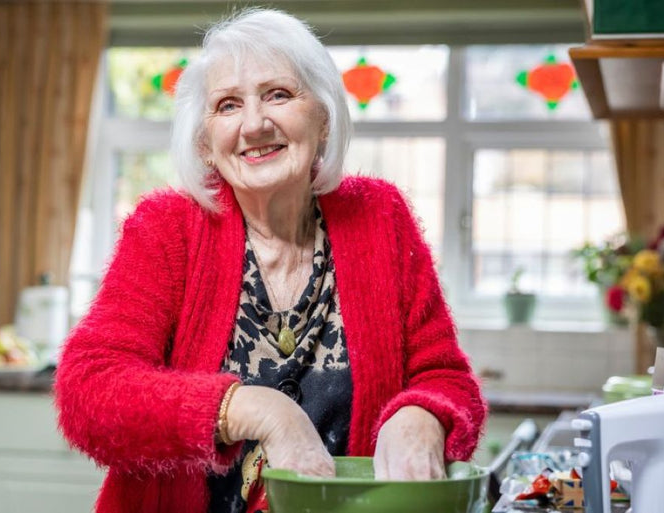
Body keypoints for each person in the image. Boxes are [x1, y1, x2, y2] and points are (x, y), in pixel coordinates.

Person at [54, 8, 486, 513]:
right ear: (206, 143)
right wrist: (254, 408)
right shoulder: (168, 229)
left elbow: (447, 378)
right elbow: (89, 389)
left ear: (323, 118)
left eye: (278, 94)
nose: (255, 124)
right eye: (228, 105)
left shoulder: (380, 217)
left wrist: (424, 414)